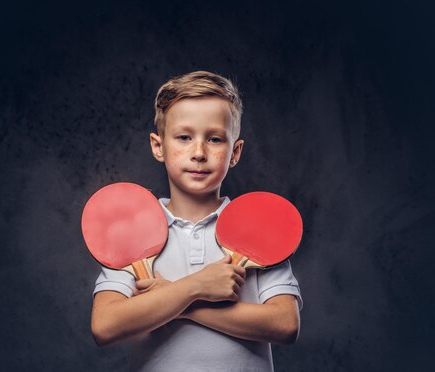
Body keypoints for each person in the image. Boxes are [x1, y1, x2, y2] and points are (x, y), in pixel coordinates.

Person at [91, 71, 302, 371]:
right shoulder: (134, 230)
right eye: (184, 137)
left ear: (235, 152)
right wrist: (196, 287)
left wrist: (177, 304)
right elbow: (105, 325)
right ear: (158, 146)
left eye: (215, 139)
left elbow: (285, 324)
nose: (199, 153)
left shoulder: (258, 227)